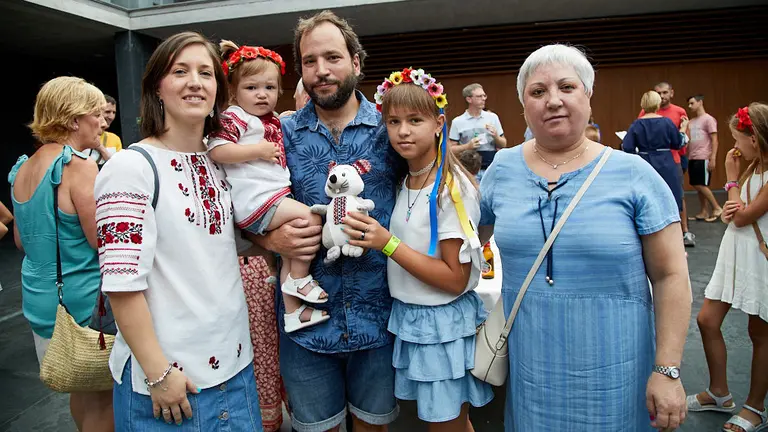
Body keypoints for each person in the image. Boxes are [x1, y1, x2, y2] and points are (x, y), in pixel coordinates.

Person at [478, 44, 691, 431]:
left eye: (566, 87)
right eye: (538, 92)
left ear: (588, 96)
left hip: (618, 376)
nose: (553, 101)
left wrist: (668, 369)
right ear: (524, 105)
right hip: (533, 375)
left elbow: (671, 276)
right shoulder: (502, 169)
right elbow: (467, 235)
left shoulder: (634, 175)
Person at [95, 32, 263, 430]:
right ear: (158, 87)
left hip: (237, 371)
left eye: (206, 73)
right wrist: (158, 374)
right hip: (171, 388)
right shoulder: (130, 168)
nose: (195, 82)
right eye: (180, 71)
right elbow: (121, 284)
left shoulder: (220, 164)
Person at [254, 10, 404, 432]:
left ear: (356, 62)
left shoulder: (391, 130)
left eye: (332, 58)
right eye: (309, 61)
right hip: (305, 324)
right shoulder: (277, 136)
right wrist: (269, 241)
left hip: (381, 321)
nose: (321, 71)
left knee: (373, 427)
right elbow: (241, 212)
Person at [342, 68, 493, 431]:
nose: (403, 131)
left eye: (415, 120)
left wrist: (386, 243)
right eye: (393, 121)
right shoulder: (406, 179)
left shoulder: (450, 188)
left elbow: (454, 279)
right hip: (413, 319)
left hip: (441, 324)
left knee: (447, 425)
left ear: (439, 123)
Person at [8, 76, 113, 431]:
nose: (101, 122)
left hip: (42, 301)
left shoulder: (21, 169)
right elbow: (102, 240)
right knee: (104, 401)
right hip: (83, 304)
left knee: (81, 390)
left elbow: (22, 242)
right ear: (73, 120)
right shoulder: (78, 166)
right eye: (95, 115)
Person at [207, 41, 327, 333]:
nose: (262, 94)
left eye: (270, 88)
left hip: (270, 197)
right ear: (233, 91)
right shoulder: (235, 117)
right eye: (252, 88)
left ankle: (294, 312)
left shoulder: (271, 119)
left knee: (290, 250)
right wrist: (258, 151)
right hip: (256, 200)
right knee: (310, 218)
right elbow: (216, 150)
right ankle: (298, 280)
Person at [687, 103, 768, 432]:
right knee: (707, 320)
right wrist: (734, 194)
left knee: (760, 333)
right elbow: (734, 214)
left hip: (758, 259)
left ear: (756, 137)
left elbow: (745, 215)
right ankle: (720, 393)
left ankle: (755, 407)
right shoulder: (753, 167)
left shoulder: (753, 171)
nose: (735, 147)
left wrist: (730, 177)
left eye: (739, 139)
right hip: (735, 251)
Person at [639, 81, 695, 246]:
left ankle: (684, 231)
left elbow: (683, 140)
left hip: (674, 159)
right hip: (650, 162)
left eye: (665, 92)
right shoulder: (645, 112)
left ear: (671, 93)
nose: (662, 96)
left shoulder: (679, 111)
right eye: (659, 93)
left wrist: (683, 156)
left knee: (678, 195)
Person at [622, 90, 686, 213]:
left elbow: (627, 147)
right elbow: (678, 143)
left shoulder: (637, 124)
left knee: (647, 199)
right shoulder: (667, 122)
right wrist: (683, 129)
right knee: (669, 198)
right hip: (666, 162)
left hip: (644, 163)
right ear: (657, 104)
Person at [448, 83, 507, 180]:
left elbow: (503, 144)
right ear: (469, 99)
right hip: (468, 171)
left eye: (484, 95)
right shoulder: (457, 122)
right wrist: (467, 146)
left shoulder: (492, 117)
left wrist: (496, 136)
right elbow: (450, 149)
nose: (484, 98)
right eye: (479, 96)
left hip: (490, 169)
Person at [687, 94, 723, 222]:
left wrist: (712, 157)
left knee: (701, 184)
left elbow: (715, 140)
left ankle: (717, 208)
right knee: (697, 185)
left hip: (703, 156)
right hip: (692, 156)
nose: (689, 106)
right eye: (689, 104)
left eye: (692, 103)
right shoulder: (691, 122)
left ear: (700, 102)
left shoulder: (708, 119)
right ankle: (704, 211)